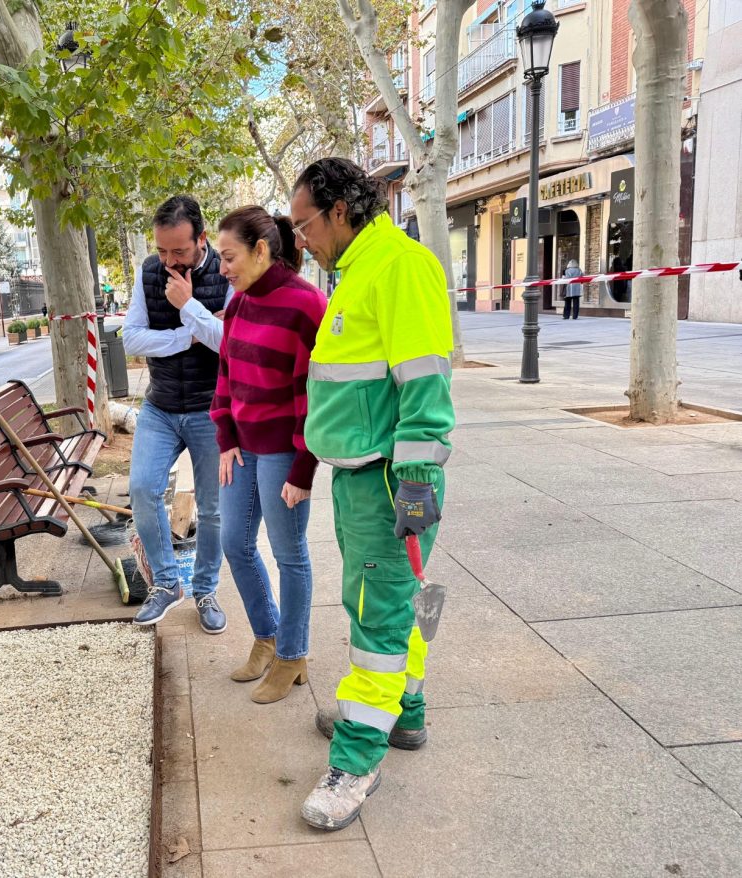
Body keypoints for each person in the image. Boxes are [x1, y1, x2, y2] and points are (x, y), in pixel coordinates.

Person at [288, 158, 455, 831]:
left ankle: (357, 761)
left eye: (304, 224)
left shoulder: (398, 265)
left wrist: (414, 489)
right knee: (392, 606)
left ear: (337, 209)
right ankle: (402, 716)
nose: (300, 237)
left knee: (376, 620)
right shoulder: (360, 269)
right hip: (365, 477)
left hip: (388, 482)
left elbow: (426, 388)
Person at [211, 206, 328, 704]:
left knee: (289, 555)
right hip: (244, 448)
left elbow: (315, 395)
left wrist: (304, 466)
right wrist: (226, 437)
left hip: (285, 451)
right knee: (233, 543)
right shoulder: (238, 305)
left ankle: (293, 655)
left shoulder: (306, 304)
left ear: (261, 249)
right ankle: (268, 635)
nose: (222, 269)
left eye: (229, 257)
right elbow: (226, 377)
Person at [123, 195, 232, 634]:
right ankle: (167, 584)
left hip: (211, 407)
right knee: (142, 490)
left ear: (201, 239)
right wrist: (190, 334)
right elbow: (131, 338)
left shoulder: (227, 272)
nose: (169, 261)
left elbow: (230, 342)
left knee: (212, 508)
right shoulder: (148, 272)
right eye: (162, 250)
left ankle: (206, 589)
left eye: (179, 252)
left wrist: (189, 306)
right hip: (161, 405)